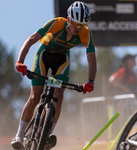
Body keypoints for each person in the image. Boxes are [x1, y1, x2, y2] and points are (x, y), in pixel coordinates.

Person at [11, 1, 97, 150]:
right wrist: (20, 61)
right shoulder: (56, 23)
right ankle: (19, 135)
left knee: (59, 95)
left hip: (61, 59)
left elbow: (91, 60)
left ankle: (47, 135)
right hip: (44, 55)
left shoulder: (86, 33)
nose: (78, 28)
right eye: (76, 23)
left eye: (81, 25)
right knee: (35, 97)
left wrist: (90, 81)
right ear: (69, 19)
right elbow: (31, 39)